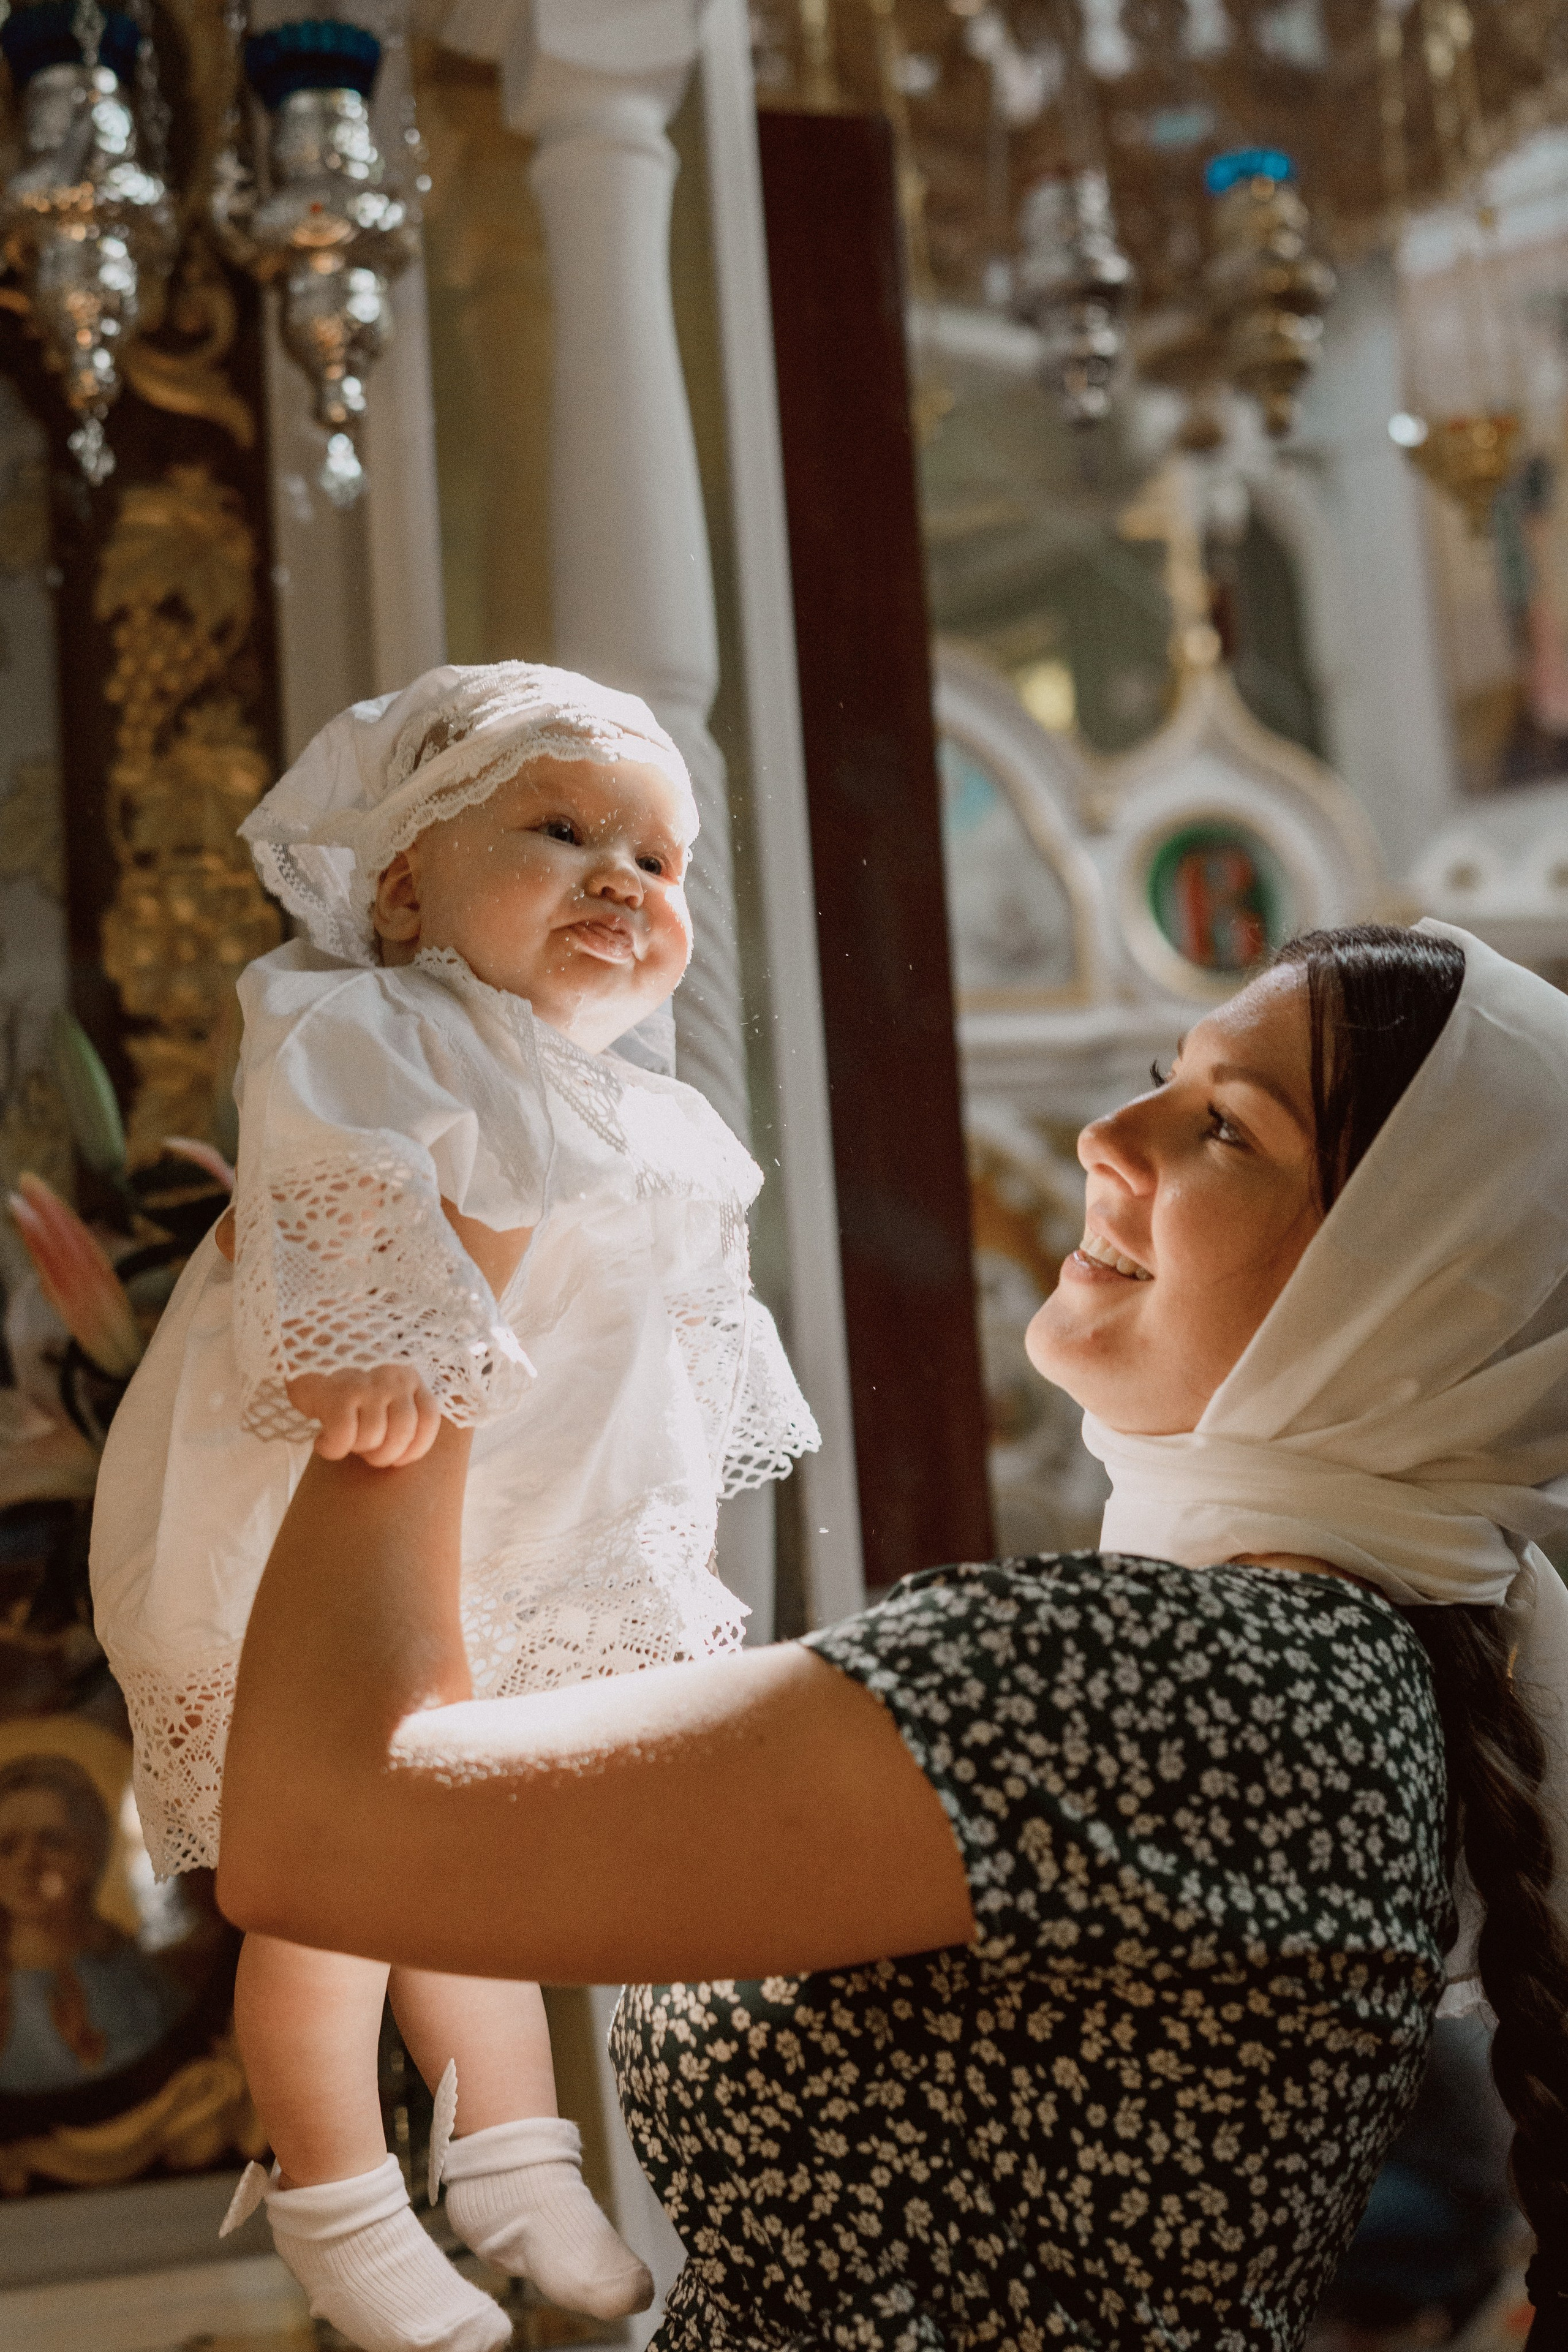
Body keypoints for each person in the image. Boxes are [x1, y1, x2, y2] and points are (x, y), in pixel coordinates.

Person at [214, 921, 1568, 2352]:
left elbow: (316, 1831)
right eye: (1164, 1074)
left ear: (1410, 1292)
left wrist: (433, 1276)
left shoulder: (1162, 1683)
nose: (1109, 1134)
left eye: (1225, 1127)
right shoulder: (1327, 1681)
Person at [89, 663, 818, 2352]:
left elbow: (683, 1324)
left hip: (526, 1518)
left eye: (661, 860)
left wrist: (671, 1477)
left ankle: (511, 2153)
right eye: (560, 833)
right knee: (338, 1873)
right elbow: (335, 1180)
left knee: (471, 1854)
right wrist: (368, 1346)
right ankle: (335, 2189)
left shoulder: (652, 1113)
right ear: (406, 881)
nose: (625, 882)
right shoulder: (369, 1023)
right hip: (336, 1492)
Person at [0, 1753, 183, 2094]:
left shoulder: (132, 1979)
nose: (28, 1863)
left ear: (89, 1854)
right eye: (7, 1848)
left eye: (53, 1842)